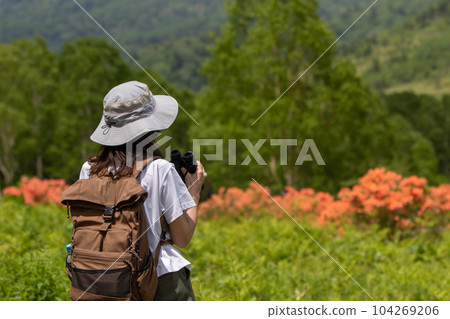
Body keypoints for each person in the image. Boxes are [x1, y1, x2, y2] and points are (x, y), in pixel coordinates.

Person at [78, 81, 206, 301]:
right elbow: (182, 238)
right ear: (150, 128)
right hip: (158, 279)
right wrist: (193, 191)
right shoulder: (160, 170)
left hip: (101, 279)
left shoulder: (90, 170)